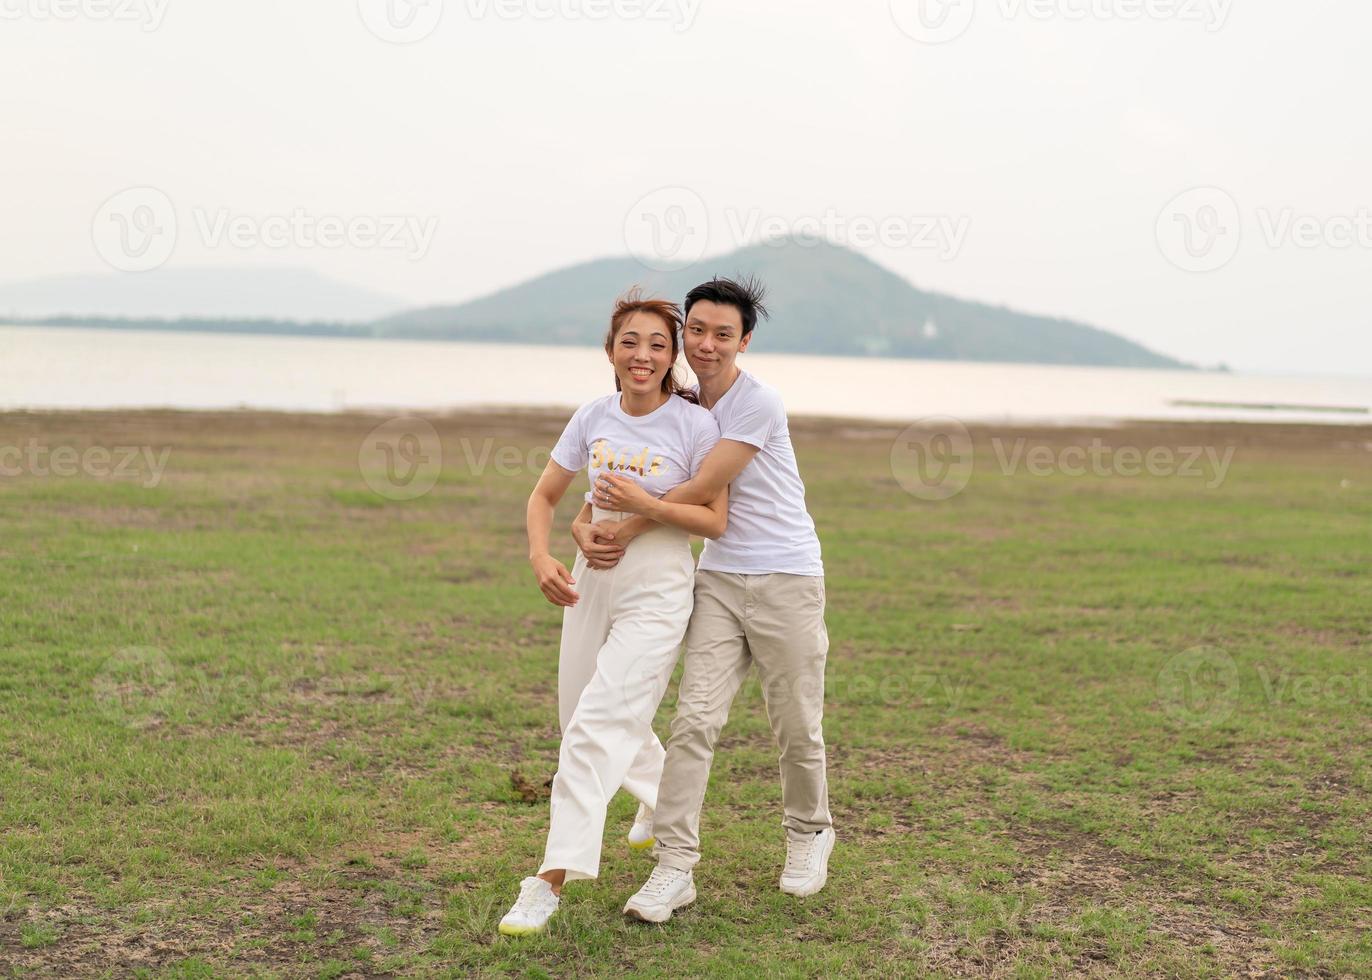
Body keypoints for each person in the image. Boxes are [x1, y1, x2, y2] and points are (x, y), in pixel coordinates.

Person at [580, 277, 834, 925]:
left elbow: (698, 489)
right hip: (717, 580)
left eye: (723, 334)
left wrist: (626, 525)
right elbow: (642, 468)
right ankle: (674, 867)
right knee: (693, 723)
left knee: (795, 724)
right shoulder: (685, 402)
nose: (707, 344)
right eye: (697, 331)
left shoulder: (758, 403)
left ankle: (809, 833)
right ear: (684, 333)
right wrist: (594, 525)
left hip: (786, 578)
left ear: (744, 341)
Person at [499, 291, 729, 936]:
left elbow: (714, 517)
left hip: (657, 589)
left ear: (672, 356)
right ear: (611, 349)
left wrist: (636, 512)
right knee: (581, 714)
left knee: (595, 727)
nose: (644, 354)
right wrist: (544, 555)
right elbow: (546, 495)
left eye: (658, 344)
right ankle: (662, 802)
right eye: (631, 341)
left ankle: (549, 879)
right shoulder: (593, 416)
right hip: (591, 583)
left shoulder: (695, 426)